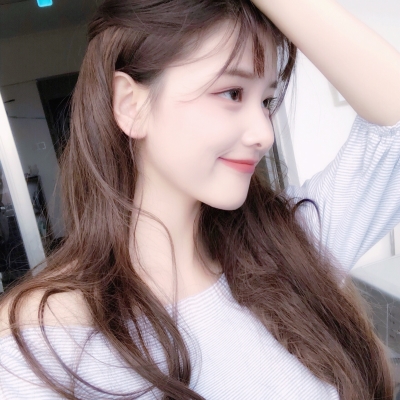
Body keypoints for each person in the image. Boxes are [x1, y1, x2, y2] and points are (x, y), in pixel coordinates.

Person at [0, 0, 399, 398]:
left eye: (266, 101)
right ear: (131, 105)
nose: (264, 134)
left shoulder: (294, 246)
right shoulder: (46, 342)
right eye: (232, 93)